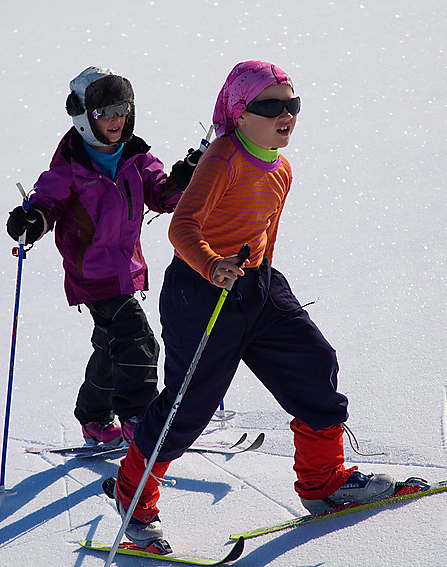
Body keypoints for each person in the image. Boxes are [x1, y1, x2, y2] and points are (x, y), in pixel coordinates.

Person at [110, 61, 396, 548]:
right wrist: (212, 265)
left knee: (314, 364)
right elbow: (182, 227)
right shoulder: (223, 157)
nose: (285, 115)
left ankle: (323, 482)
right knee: (185, 409)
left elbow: (266, 231)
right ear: (240, 114)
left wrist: (260, 281)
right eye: (270, 107)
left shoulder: (281, 166)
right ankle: (133, 499)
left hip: (257, 287)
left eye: (292, 105)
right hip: (202, 294)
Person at [6, 66, 201, 447]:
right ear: (83, 117)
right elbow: (47, 203)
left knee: (112, 346)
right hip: (92, 273)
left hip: (125, 270)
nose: (114, 120)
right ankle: (138, 418)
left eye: (121, 108)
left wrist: (185, 177)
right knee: (139, 340)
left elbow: (162, 195)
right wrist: (32, 221)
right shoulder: (69, 169)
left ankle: (94, 417)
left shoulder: (136, 157)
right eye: (102, 112)